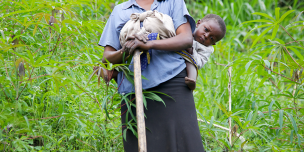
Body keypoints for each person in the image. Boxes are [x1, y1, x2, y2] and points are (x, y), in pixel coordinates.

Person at [98, 0, 225, 151]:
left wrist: (149, 44)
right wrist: (127, 49)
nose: (206, 36)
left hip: (173, 83)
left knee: (184, 144)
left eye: (212, 38)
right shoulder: (120, 10)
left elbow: (185, 39)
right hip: (133, 90)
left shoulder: (173, 2)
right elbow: (107, 57)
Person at [97, 13, 226, 90]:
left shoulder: (206, 48)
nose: (206, 36)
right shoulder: (185, 29)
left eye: (211, 38)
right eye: (206, 30)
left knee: (192, 64)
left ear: (213, 43)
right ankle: (113, 73)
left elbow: (199, 61)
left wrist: (190, 49)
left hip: (187, 58)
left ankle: (192, 81)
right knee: (136, 57)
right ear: (198, 23)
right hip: (163, 50)